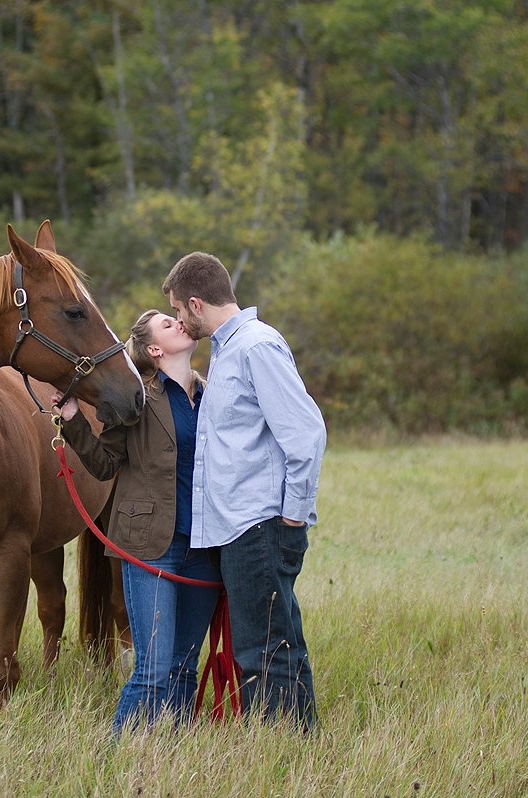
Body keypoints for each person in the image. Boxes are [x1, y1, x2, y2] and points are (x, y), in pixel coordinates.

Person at [162, 251, 326, 730]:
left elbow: (306, 434)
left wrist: (292, 519)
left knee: (263, 651)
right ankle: (297, 746)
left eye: (176, 311)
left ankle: (279, 752)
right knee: (272, 643)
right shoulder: (228, 351)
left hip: (260, 526)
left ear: (196, 304)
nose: (177, 321)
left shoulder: (256, 346)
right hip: (239, 529)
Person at [51, 309, 221, 735]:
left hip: (204, 545)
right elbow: (106, 464)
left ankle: (174, 757)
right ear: (154, 350)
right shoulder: (137, 397)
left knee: (184, 667)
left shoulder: (213, 394)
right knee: (153, 668)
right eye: (167, 323)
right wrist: (71, 419)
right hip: (151, 544)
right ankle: (117, 757)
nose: (179, 322)